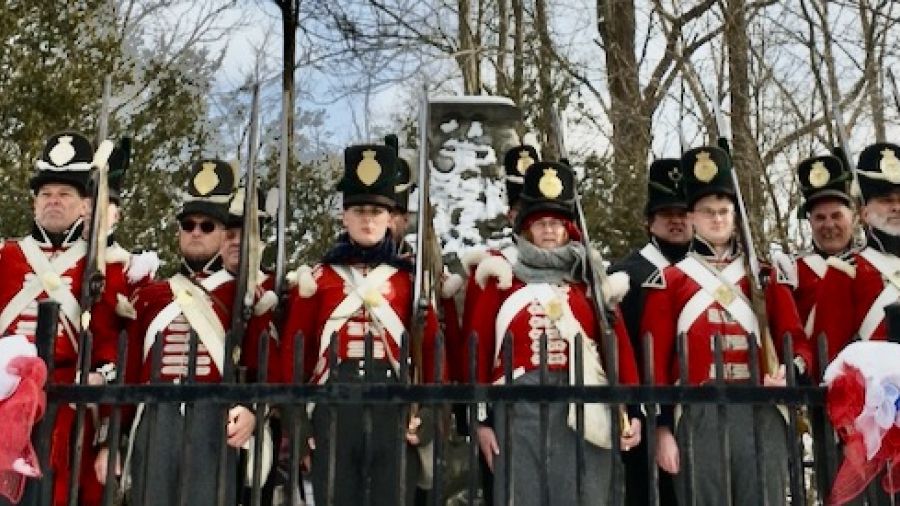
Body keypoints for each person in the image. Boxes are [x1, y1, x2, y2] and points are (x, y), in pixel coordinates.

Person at [464, 159, 642, 505]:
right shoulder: (500, 275)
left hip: (586, 400)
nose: (549, 230)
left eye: (558, 223)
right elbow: (479, 348)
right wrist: (480, 420)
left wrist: (631, 409)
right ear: (526, 228)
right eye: (541, 222)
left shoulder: (589, 277)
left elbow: (616, 343)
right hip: (517, 403)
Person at [641, 146, 810, 505]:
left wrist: (790, 370)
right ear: (692, 217)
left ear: (735, 215)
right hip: (698, 413)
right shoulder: (669, 281)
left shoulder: (764, 276)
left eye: (723, 211)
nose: (716, 220)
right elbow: (654, 363)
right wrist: (662, 429)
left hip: (763, 408)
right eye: (707, 212)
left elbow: (797, 341)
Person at [279, 143, 440, 506]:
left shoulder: (411, 283)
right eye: (359, 211)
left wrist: (429, 409)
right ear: (344, 217)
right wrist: (297, 421)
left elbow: (431, 349)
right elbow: (294, 352)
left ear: (389, 218)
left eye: (377, 212)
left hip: (393, 402)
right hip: (333, 402)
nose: (368, 220)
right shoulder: (318, 278)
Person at [109, 159, 267, 505]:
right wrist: (111, 441)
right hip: (154, 414)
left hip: (213, 417)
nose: (196, 231)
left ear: (226, 235)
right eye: (188, 224)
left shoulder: (243, 296)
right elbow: (130, 371)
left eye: (207, 225)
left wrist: (253, 410)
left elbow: (261, 366)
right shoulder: (150, 295)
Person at [0, 131, 123, 506]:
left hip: (66, 402)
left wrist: (102, 375)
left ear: (86, 205)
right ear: (35, 203)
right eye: (46, 194)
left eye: (65, 194)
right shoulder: (5, 256)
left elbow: (112, 343)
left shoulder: (104, 266)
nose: (53, 201)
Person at [811, 143, 900, 505]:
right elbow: (827, 353)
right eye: (883, 199)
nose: (895, 207)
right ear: (864, 212)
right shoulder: (847, 271)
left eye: (899, 198)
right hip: (872, 433)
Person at [608, 158, 689, 506]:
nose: (676, 220)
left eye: (684, 211)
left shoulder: (709, 270)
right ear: (648, 220)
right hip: (646, 412)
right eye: (666, 213)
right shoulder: (627, 273)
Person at [773, 154, 856, 362]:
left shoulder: (868, 265)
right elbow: (788, 333)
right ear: (809, 222)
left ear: (853, 218)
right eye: (820, 218)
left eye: (836, 216)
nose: (829, 225)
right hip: (815, 382)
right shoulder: (791, 270)